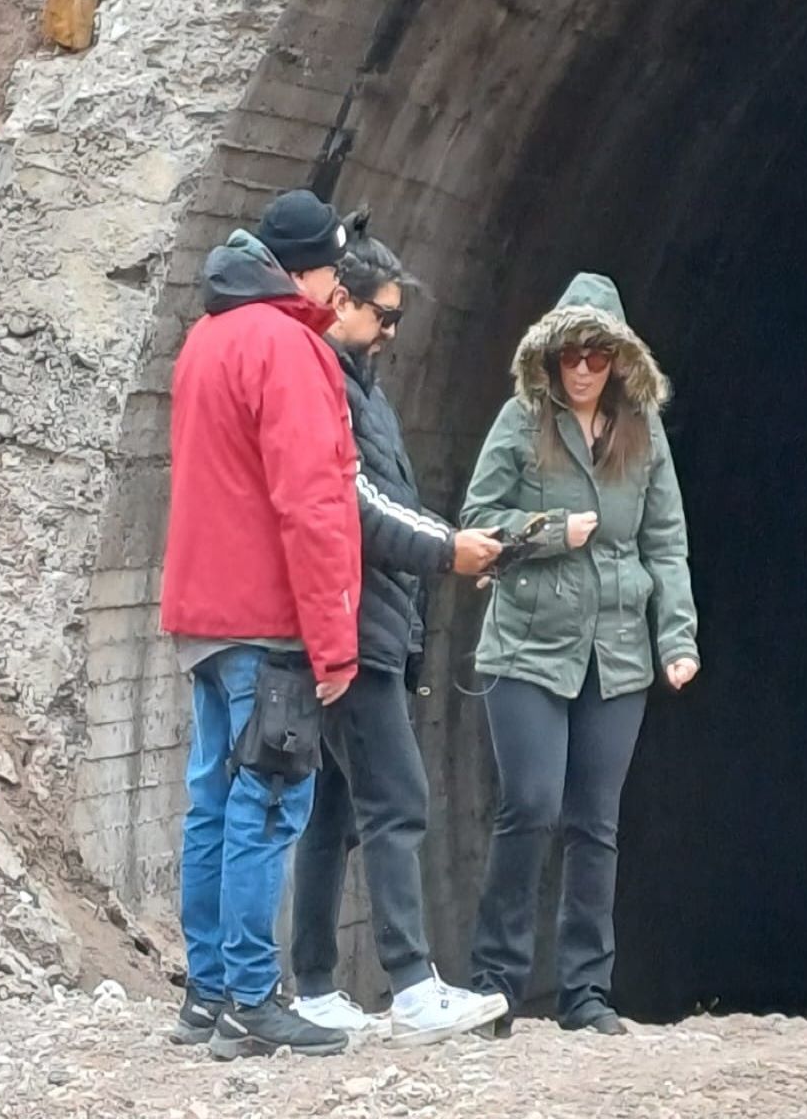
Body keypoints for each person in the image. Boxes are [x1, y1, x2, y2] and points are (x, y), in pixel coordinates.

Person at [461, 272, 700, 1037]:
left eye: (598, 353)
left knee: (595, 822)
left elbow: (666, 540)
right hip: (526, 645)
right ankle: (496, 982)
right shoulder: (520, 421)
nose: (585, 367)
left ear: (621, 359)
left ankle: (586, 992)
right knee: (530, 805)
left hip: (618, 650)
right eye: (572, 353)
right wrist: (546, 531)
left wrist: (678, 637)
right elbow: (475, 524)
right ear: (552, 356)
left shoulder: (645, 433)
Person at [290, 215, 509, 1045]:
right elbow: (356, 507)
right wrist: (445, 550)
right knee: (397, 800)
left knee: (333, 807)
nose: (390, 334)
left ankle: (313, 983)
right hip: (352, 625)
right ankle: (413, 985)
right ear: (340, 299)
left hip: (367, 617)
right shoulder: (331, 385)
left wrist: (453, 548)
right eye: (383, 316)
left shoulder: (360, 385)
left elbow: (388, 496)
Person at [161, 189, 362, 1059]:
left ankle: (205, 993)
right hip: (267, 620)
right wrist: (334, 638)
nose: (337, 284)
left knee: (212, 801)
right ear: (306, 267)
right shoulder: (289, 348)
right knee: (271, 802)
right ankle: (252, 995)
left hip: (204, 616)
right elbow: (313, 504)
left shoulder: (206, 339)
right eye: (334, 267)